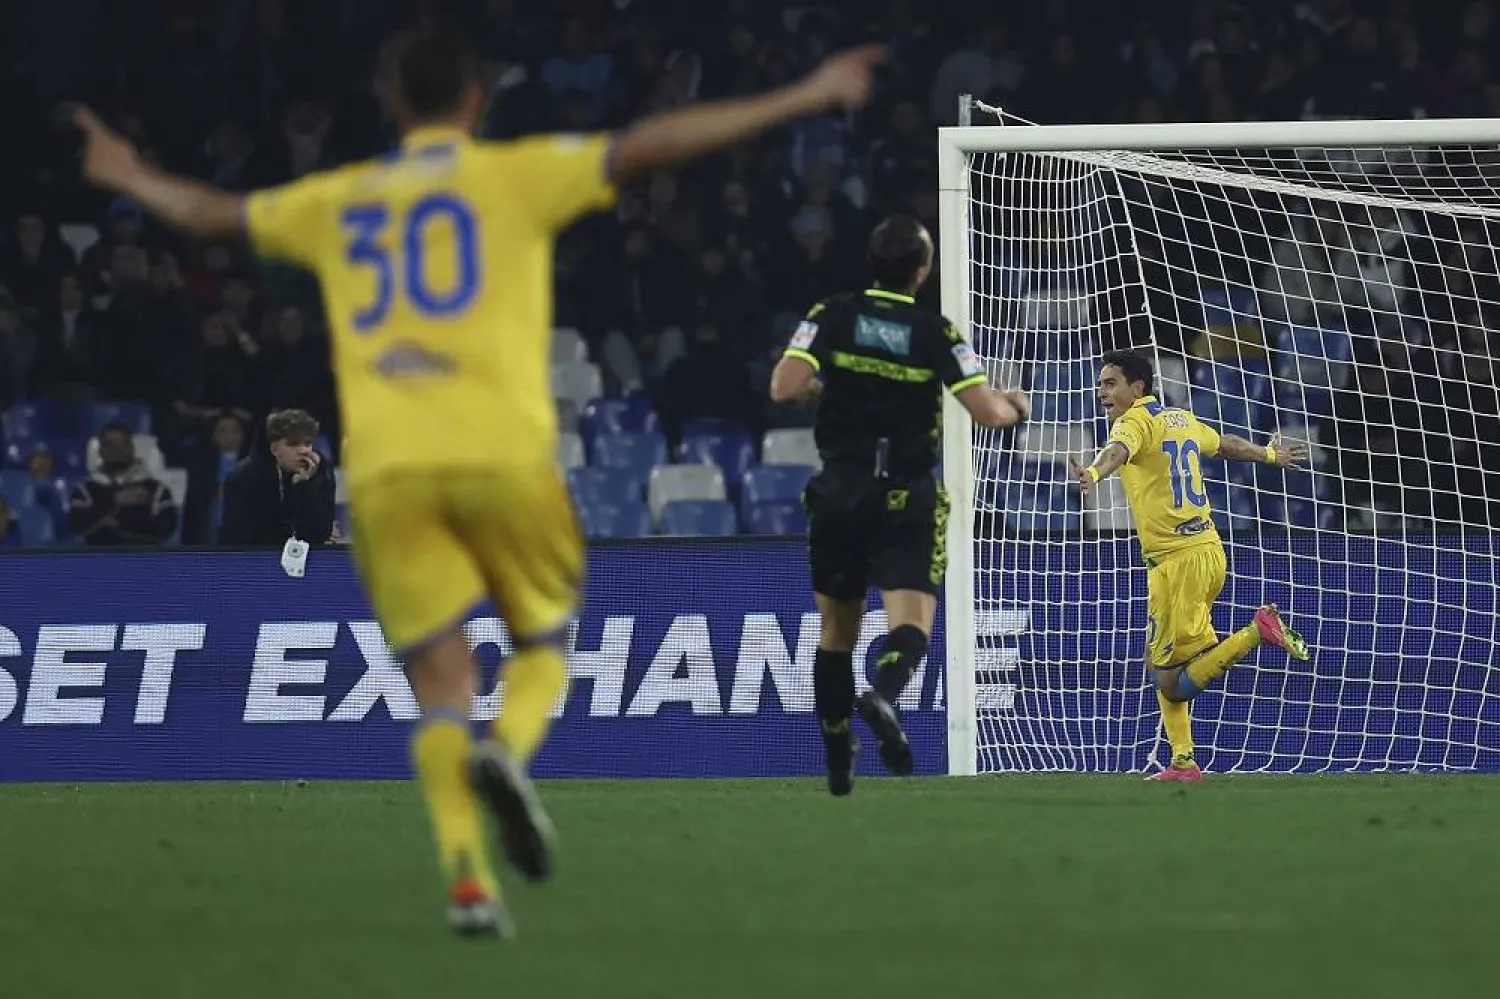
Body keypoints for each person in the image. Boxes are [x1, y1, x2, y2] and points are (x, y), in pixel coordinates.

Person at [72, 28, 886, 936]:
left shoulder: (342, 199)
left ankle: (467, 877)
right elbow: (655, 142)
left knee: (439, 685)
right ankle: (509, 751)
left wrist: (126, 172)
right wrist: (803, 93)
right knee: (542, 640)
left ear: (391, 106)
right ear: (474, 103)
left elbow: (213, 215)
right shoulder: (514, 175)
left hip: (386, 471)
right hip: (501, 453)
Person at [768, 215, 1031, 796]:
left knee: (837, 633)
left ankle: (839, 751)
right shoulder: (934, 331)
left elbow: (783, 388)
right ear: (921, 270)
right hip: (904, 495)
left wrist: (825, 383)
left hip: (840, 490)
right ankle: (881, 697)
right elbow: (986, 413)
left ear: (872, 262)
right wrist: (1015, 405)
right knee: (911, 623)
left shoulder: (832, 312)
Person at [1070, 349, 1312, 781]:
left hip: (1177, 564)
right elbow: (1228, 445)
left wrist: (1093, 473)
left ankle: (1258, 630)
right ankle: (1183, 761)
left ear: (1137, 387)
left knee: (1170, 682)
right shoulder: (1180, 419)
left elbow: (1116, 451)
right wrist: (1271, 456)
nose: (1101, 390)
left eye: (1110, 383)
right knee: (1158, 661)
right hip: (1207, 551)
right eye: (1101, 382)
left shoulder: (1132, 421)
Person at [218, 409, 336, 548]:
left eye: (307, 443)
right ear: (274, 449)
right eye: (293, 444)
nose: (304, 450)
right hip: (253, 562)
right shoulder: (243, 478)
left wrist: (304, 485)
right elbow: (242, 538)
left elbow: (318, 535)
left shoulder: (321, 470)